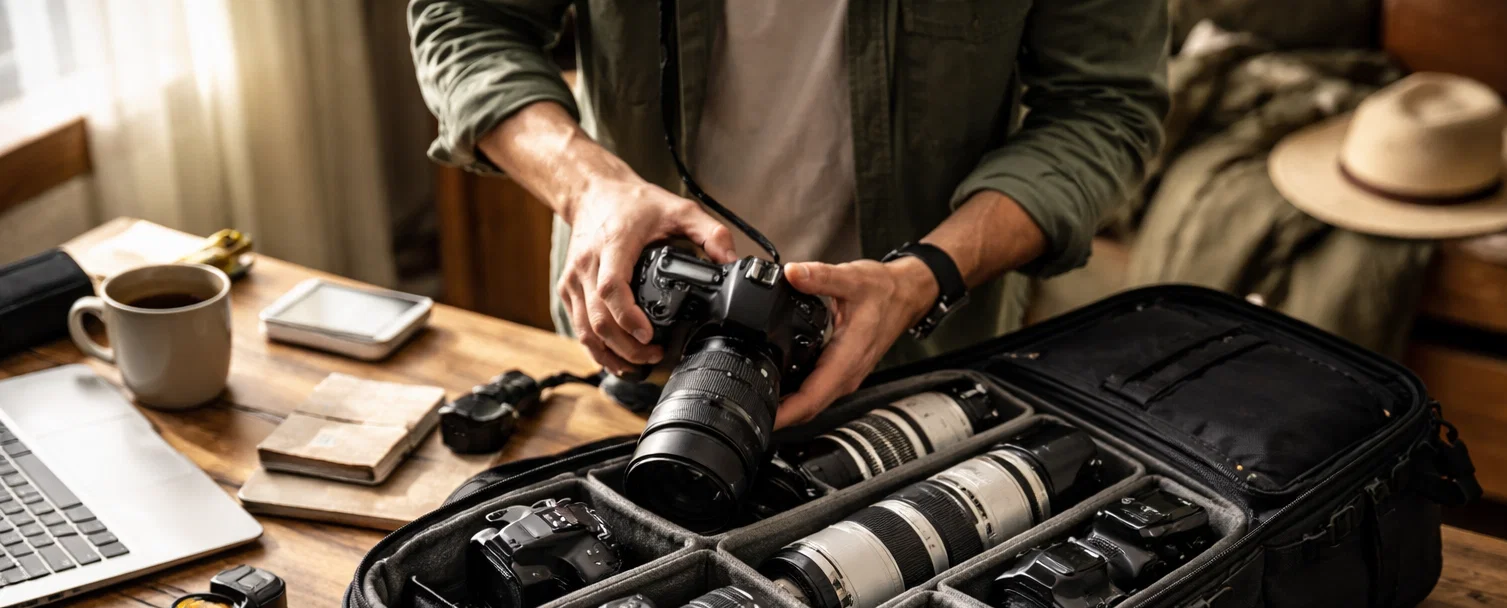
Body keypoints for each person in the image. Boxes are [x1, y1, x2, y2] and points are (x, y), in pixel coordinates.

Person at [410, 1, 1168, 425]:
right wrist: (592, 189)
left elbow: (1106, 108)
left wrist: (922, 277)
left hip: (920, 372)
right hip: (640, 351)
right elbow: (465, 20)